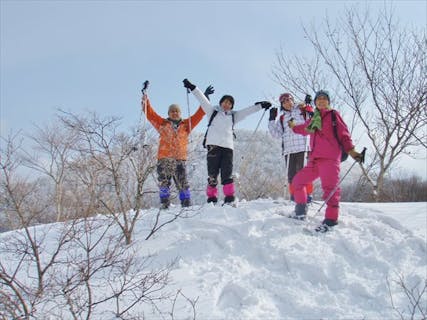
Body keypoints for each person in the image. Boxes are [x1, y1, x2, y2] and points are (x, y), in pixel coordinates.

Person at [183, 78, 272, 205]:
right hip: (213, 146)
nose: (227, 104)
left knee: (227, 174)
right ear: (220, 103)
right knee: (212, 174)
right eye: (225, 102)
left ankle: (229, 197)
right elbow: (202, 99)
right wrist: (192, 87)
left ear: (231, 106)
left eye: (229, 103)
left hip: (228, 148)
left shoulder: (233, 116)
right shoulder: (212, 111)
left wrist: (261, 105)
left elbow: (247, 111)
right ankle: (212, 199)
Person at [288, 90, 363, 232]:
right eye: (319, 99)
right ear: (315, 102)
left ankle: (331, 220)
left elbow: (344, 134)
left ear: (328, 102)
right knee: (297, 181)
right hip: (315, 159)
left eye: (324, 99)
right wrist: (293, 127)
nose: (321, 101)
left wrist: (351, 150)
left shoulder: (333, 115)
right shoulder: (314, 119)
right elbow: (303, 129)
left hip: (330, 158)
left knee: (330, 189)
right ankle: (300, 211)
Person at [141, 85, 214, 209]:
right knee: (164, 183)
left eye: (177, 111)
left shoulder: (186, 125)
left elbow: (199, 114)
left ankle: (186, 204)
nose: (175, 113)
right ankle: (165, 203)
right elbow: (149, 113)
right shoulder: (162, 124)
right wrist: (145, 96)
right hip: (164, 158)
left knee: (183, 183)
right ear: (168, 113)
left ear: (180, 113)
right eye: (172, 111)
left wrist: (205, 97)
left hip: (180, 159)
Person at [268, 92, 314, 202]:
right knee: (291, 176)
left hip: (303, 147)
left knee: (305, 174)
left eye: (288, 100)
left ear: (292, 100)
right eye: (283, 102)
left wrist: (310, 105)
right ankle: (294, 197)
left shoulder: (301, 110)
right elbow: (276, 134)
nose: (286, 103)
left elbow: (313, 121)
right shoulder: (282, 118)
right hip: (289, 150)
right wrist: (271, 120)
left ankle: (307, 196)